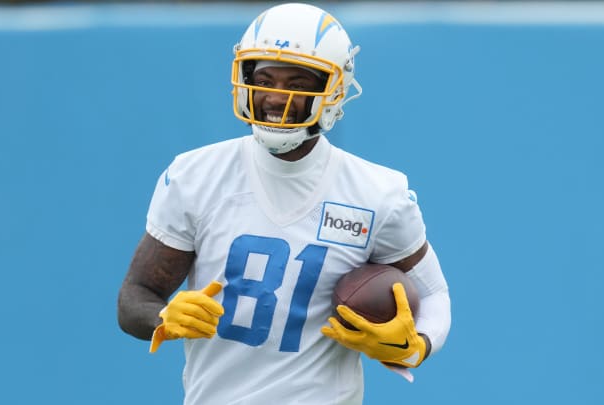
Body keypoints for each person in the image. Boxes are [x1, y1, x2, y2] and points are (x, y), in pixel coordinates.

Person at [117, 3, 451, 404]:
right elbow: (136, 295)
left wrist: (415, 346)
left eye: (297, 81)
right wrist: (163, 317)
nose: (276, 96)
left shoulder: (378, 193)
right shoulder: (195, 175)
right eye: (265, 79)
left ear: (333, 90)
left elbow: (434, 294)